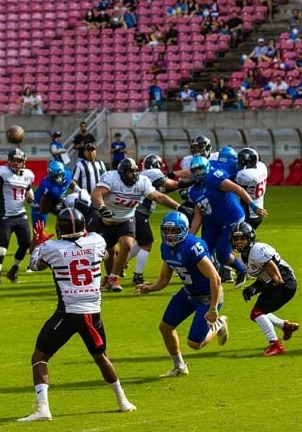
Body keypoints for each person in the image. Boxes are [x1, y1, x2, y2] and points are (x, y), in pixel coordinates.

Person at [17, 208, 136, 421]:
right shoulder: (97, 241)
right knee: (101, 358)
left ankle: (43, 408)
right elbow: (107, 254)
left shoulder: (51, 248)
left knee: (39, 357)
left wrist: (39, 242)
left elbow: (35, 265)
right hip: (93, 313)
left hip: (68, 313)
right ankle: (123, 401)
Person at [134, 211, 227, 377]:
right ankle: (179, 367)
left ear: (184, 230)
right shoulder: (166, 247)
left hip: (208, 296)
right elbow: (164, 278)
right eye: (167, 231)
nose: (169, 235)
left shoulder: (192, 247)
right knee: (165, 327)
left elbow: (215, 278)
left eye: (174, 231)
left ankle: (219, 323)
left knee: (194, 344)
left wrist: (213, 308)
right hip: (189, 292)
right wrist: (150, 288)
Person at [91, 158, 194, 292]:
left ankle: (113, 278)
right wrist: (102, 207)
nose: (133, 175)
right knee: (109, 252)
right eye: (130, 172)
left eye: (135, 172)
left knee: (127, 245)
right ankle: (108, 277)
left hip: (126, 219)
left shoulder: (141, 181)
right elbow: (97, 193)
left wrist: (178, 207)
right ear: (122, 173)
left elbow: (158, 196)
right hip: (107, 220)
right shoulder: (112, 178)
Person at [186, 155, 264, 289]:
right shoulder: (193, 190)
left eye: (200, 169)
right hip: (211, 220)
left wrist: (253, 206)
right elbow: (198, 215)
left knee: (222, 254)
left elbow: (238, 189)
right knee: (202, 251)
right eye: (195, 170)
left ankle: (241, 270)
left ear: (206, 168)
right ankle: (207, 282)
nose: (198, 173)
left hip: (230, 218)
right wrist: (190, 236)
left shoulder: (214, 177)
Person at [230, 222, 299, 356]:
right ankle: (285, 326)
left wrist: (255, 288)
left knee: (257, 313)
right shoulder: (243, 257)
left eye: (242, 238)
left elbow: (277, 279)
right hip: (278, 282)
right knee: (259, 313)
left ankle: (276, 345)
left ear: (250, 238)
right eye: (236, 239)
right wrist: (253, 287)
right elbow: (264, 276)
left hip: (285, 284)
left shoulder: (257, 251)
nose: (239, 242)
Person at [128, 154, 183, 285]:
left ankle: (121, 263)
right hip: (140, 212)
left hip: (135, 211)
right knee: (147, 244)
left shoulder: (144, 175)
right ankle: (138, 276)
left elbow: (161, 189)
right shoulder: (152, 173)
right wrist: (188, 182)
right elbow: (171, 184)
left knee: (141, 242)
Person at [0, 148, 35, 285]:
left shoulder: (28, 175)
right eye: (14, 160)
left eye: (19, 160)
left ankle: (13, 270)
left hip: (21, 215)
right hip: (6, 216)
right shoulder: (3, 173)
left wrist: (30, 198)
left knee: (25, 244)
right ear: (9, 161)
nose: (16, 163)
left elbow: (29, 192)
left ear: (24, 161)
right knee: (2, 248)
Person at [234, 148, 268, 229]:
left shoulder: (245, 175)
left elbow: (233, 184)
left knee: (238, 239)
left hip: (248, 214)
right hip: (259, 212)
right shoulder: (262, 167)